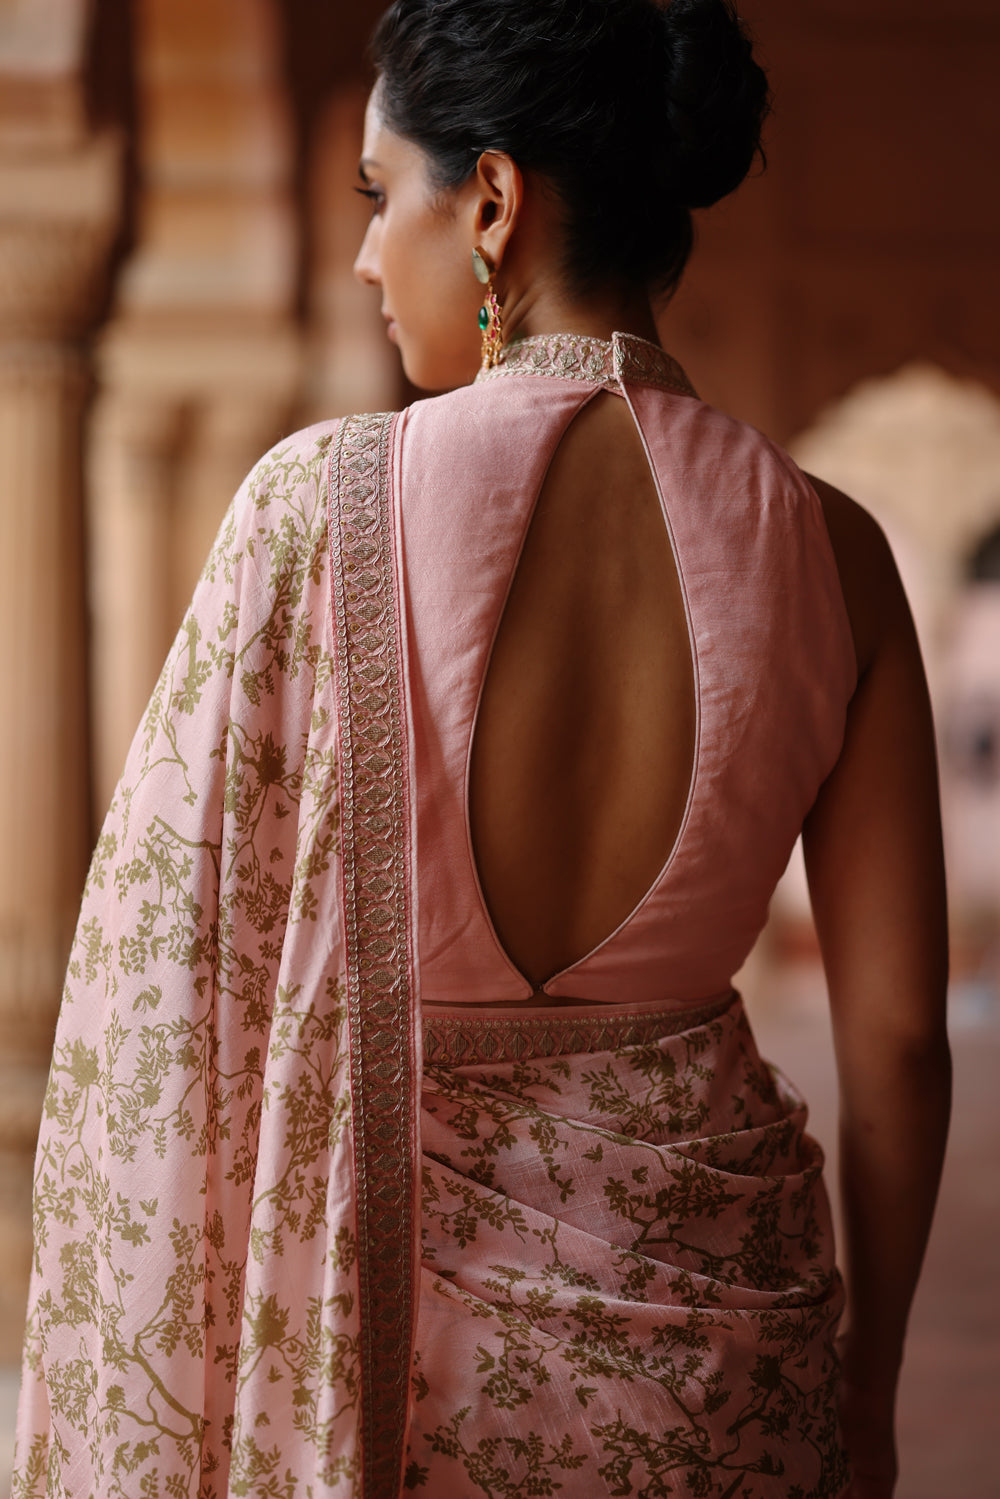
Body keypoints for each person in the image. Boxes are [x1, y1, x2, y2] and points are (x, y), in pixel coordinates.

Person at [12, 1, 951, 1496]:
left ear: (497, 203)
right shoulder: (833, 554)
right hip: (725, 1359)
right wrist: (871, 1391)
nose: (373, 258)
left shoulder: (318, 509)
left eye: (388, 199)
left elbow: (167, 989)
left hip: (390, 1351)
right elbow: (897, 1040)